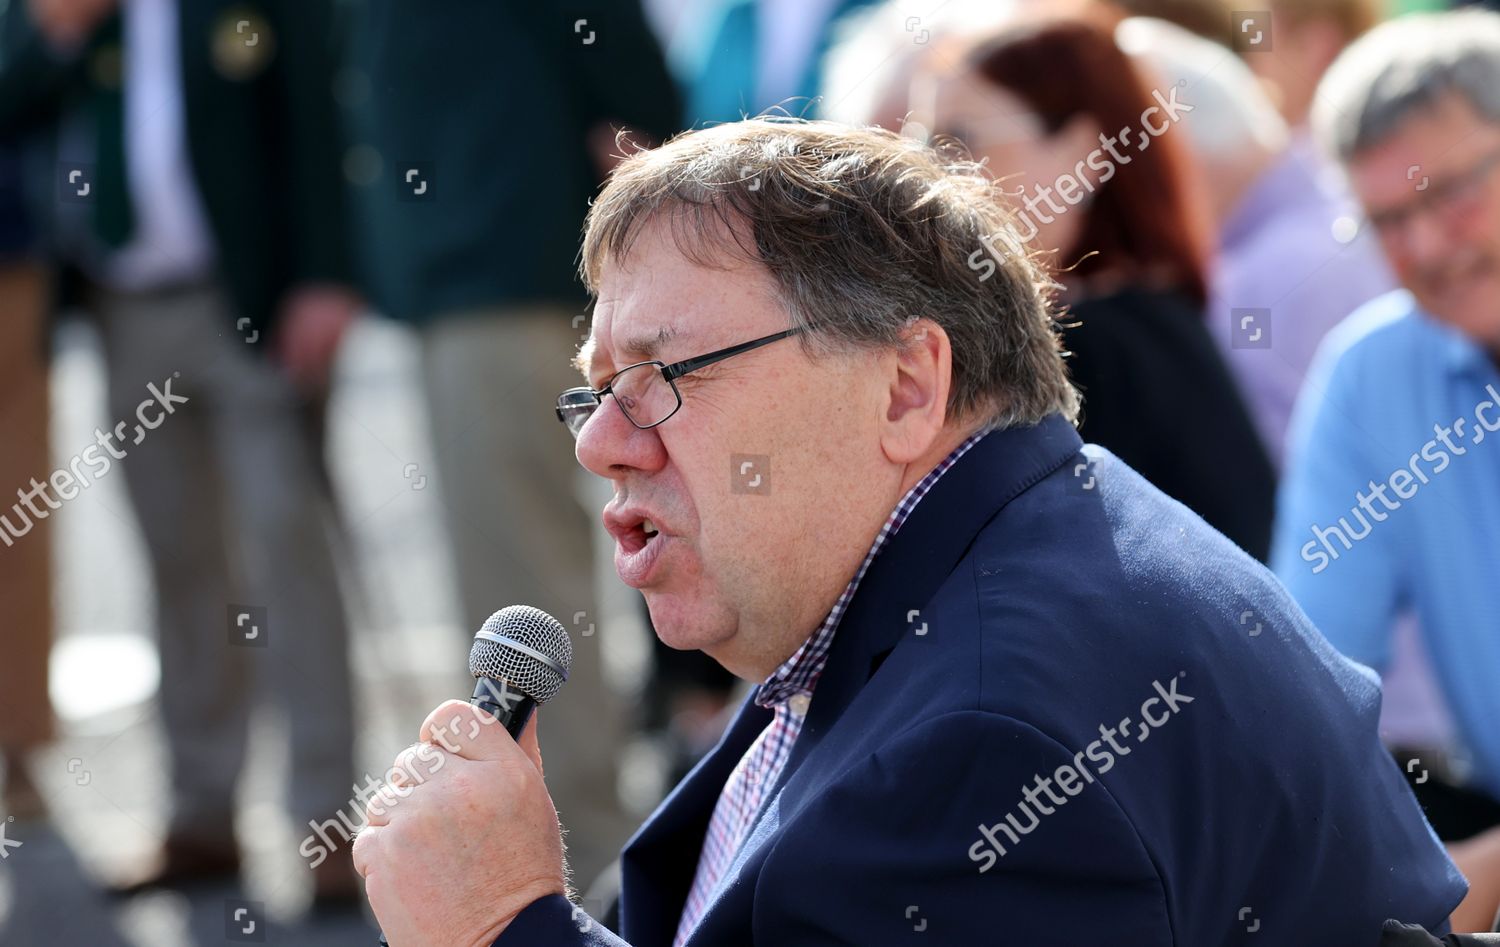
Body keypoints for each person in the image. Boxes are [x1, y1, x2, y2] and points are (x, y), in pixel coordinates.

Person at [351, 118, 1464, 945]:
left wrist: (502, 923)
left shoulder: (987, 739)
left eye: (661, 375)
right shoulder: (993, 562)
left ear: (905, 387)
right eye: (597, 390)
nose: (602, 443)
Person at [0, 0, 361, 903]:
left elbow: (314, 114)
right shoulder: (72, 15)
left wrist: (326, 275)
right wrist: (53, 35)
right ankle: (202, 814)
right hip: (123, 309)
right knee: (177, 559)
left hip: (245, 300)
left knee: (288, 550)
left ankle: (326, 822)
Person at [339, 0, 681, 888]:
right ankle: (577, 854)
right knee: (521, 579)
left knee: (520, 586)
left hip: (509, 276)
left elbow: (635, 85)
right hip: (476, 276)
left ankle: (578, 862)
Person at [1271, 7, 1500, 931]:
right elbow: (1311, 695)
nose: (1430, 246)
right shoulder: (1371, 376)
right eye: (1389, 220)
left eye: (1455, 193)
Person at [924, 9, 1277, 559]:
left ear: (1083, 155)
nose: (930, 175)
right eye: (921, 145)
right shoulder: (1146, 318)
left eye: (959, 141)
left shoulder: (1095, 342)